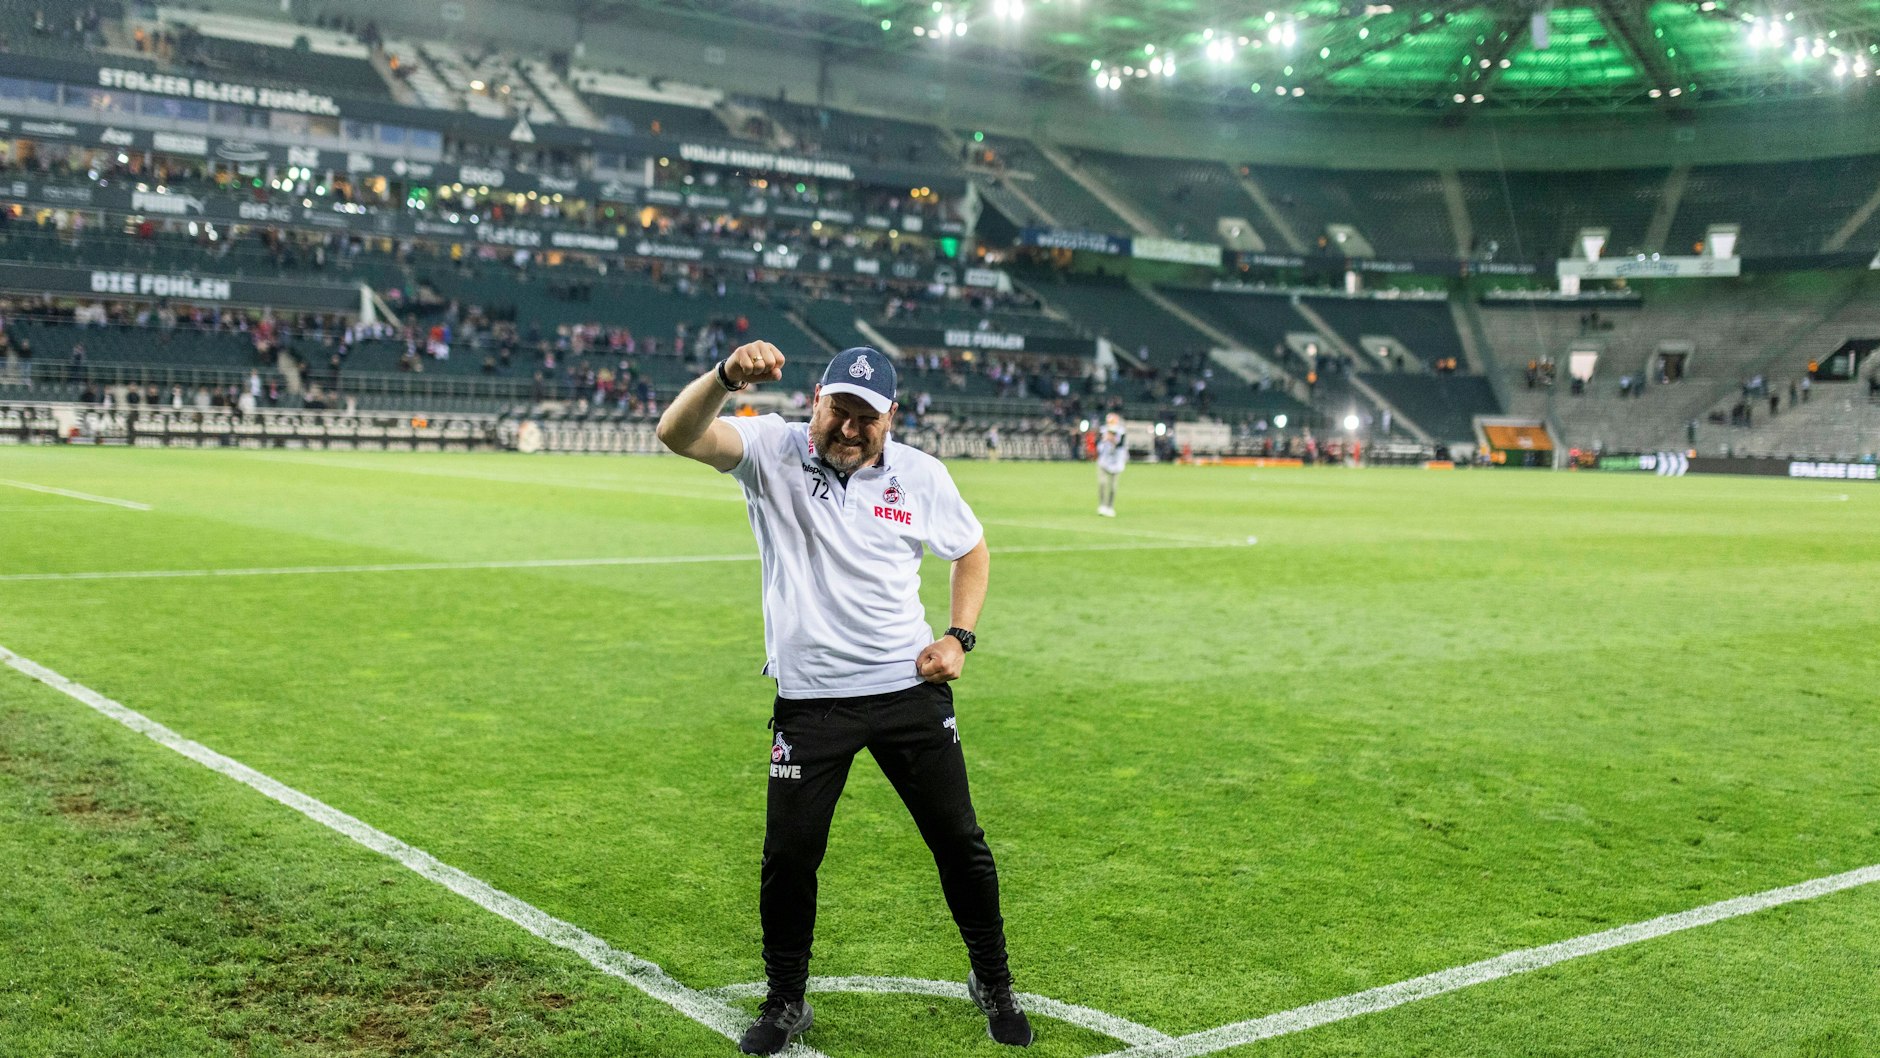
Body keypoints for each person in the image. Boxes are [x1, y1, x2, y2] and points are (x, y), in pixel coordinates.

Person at [655, 342, 1032, 1055]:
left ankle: (994, 981)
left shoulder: (921, 474)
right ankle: (786, 999)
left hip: (908, 691)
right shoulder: (771, 448)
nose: (850, 429)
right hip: (812, 701)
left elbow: (971, 550)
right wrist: (726, 378)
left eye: (867, 417)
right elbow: (677, 434)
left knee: (960, 844)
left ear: (892, 417)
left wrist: (958, 637)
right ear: (816, 402)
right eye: (839, 411)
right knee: (790, 858)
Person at [1096, 412, 1127, 517]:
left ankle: (1110, 506)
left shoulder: (1121, 432)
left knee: (1113, 486)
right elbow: (1097, 445)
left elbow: (1121, 445)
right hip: (1104, 461)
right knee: (1102, 483)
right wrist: (1103, 439)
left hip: (1116, 461)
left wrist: (1112, 440)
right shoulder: (1103, 431)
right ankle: (1102, 505)